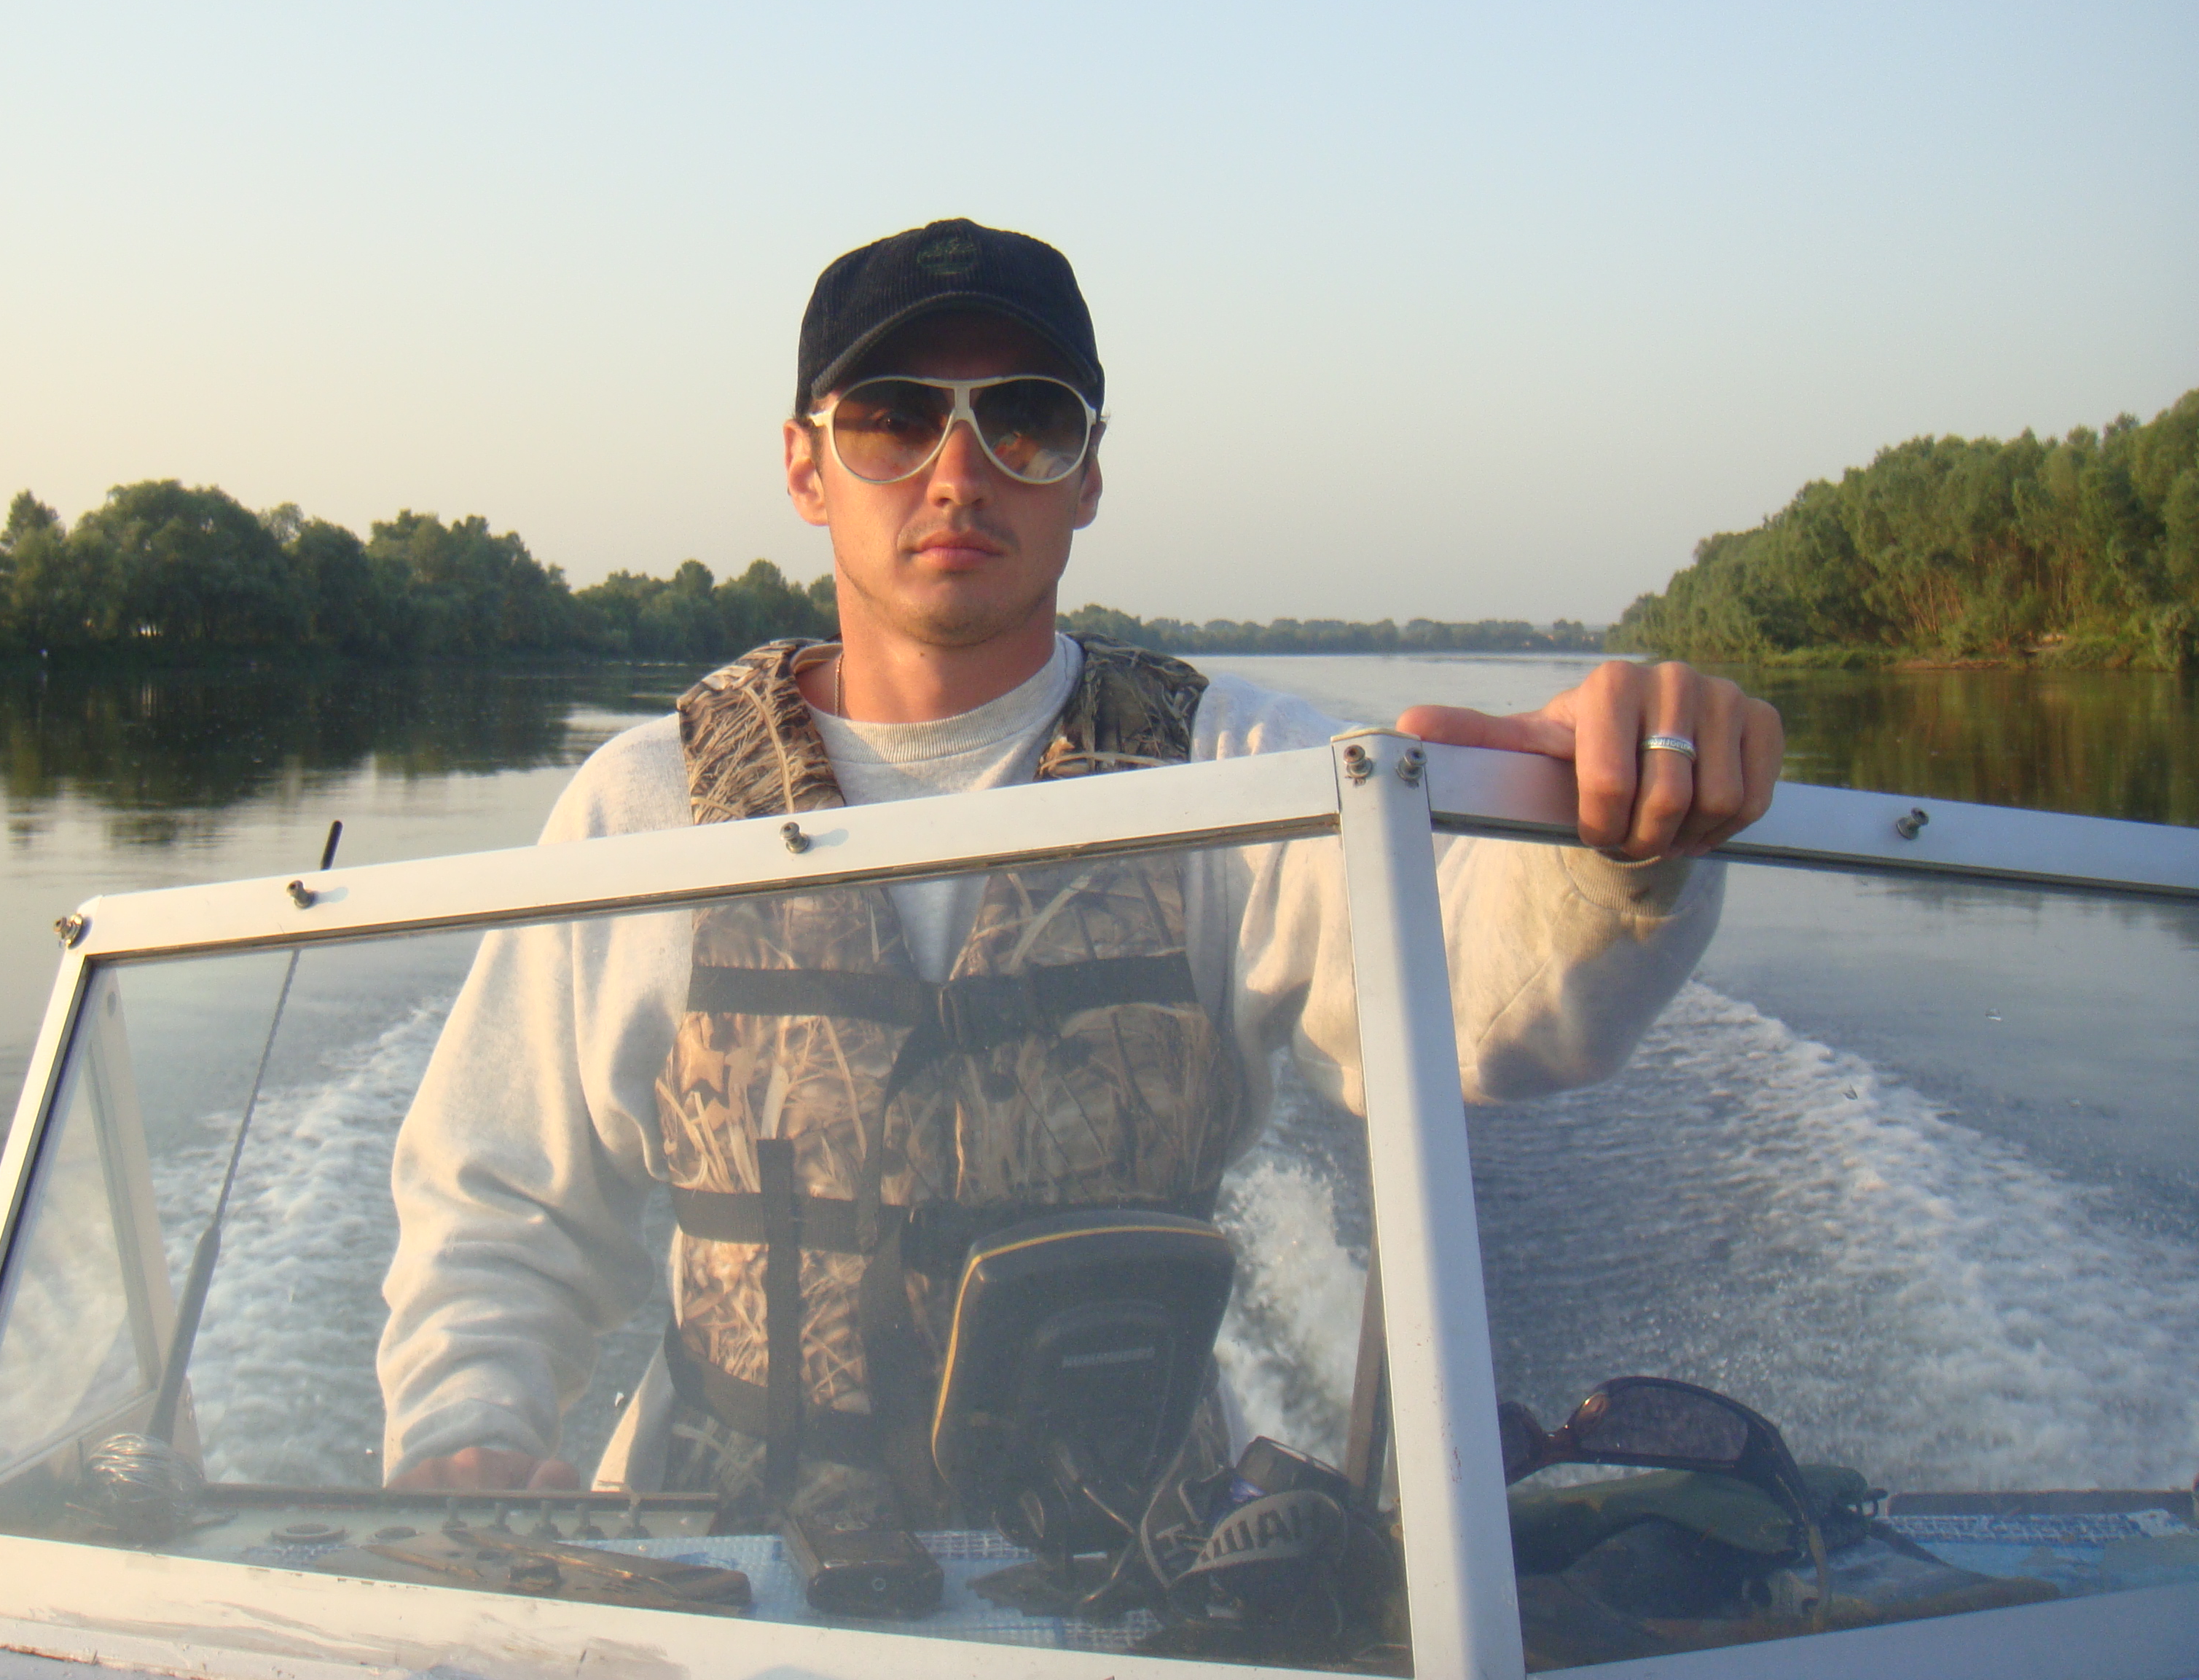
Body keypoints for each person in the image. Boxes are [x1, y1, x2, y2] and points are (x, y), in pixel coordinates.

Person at [377, 218, 1783, 1527]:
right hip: (725, 1582)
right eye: (893, 417)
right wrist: (466, 1437)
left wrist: (1624, 832)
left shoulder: (1234, 768)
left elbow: (1484, 1008)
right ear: (806, 468)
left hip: (1140, 1582)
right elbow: (501, 1203)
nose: (958, 469)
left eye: (1026, 418)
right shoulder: (646, 805)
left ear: (1089, 473)